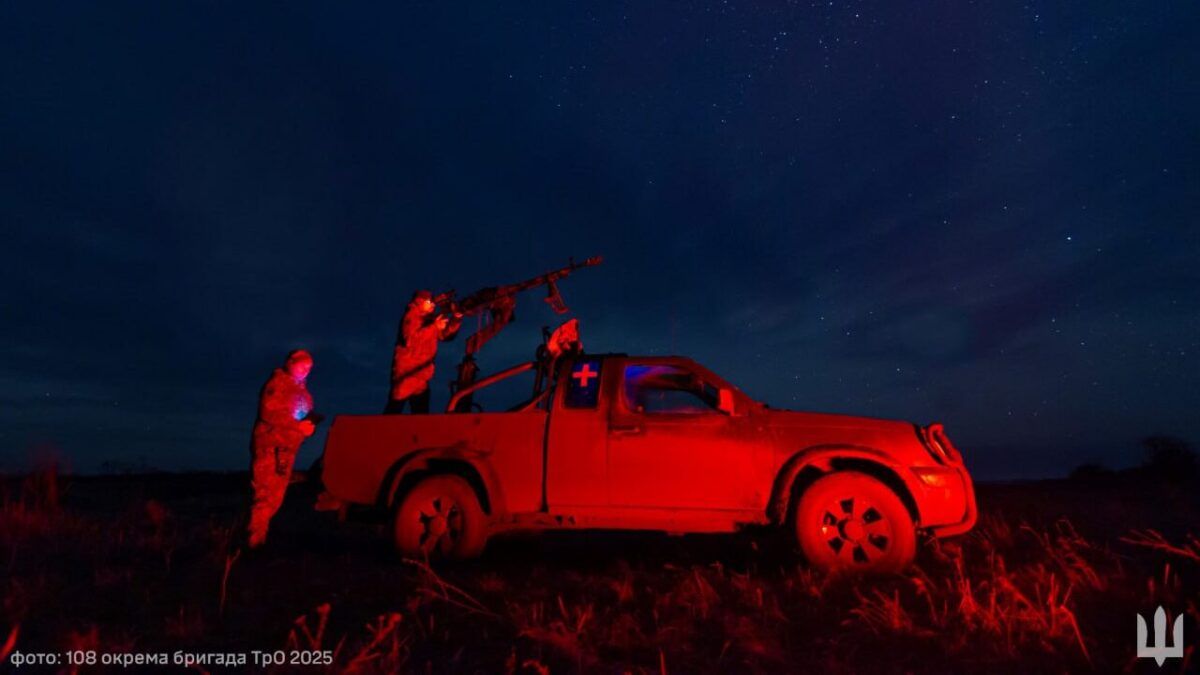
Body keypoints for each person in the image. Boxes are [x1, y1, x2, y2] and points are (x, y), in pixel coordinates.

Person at [246, 349, 316, 549]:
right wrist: (296, 426)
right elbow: (268, 413)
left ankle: (257, 537)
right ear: (290, 362)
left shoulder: (304, 393)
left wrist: (307, 429)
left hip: (287, 450)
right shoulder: (278, 385)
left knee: (276, 497)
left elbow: (303, 418)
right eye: (302, 365)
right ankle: (253, 543)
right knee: (264, 495)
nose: (306, 370)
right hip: (270, 446)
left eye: (309, 367)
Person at [385, 290, 462, 414]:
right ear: (419, 302)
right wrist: (434, 327)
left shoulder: (429, 320)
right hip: (406, 376)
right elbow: (412, 340)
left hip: (421, 377)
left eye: (432, 302)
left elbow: (445, 335)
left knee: (420, 416)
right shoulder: (412, 316)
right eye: (428, 302)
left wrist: (456, 319)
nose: (432, 305)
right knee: (393, 413)